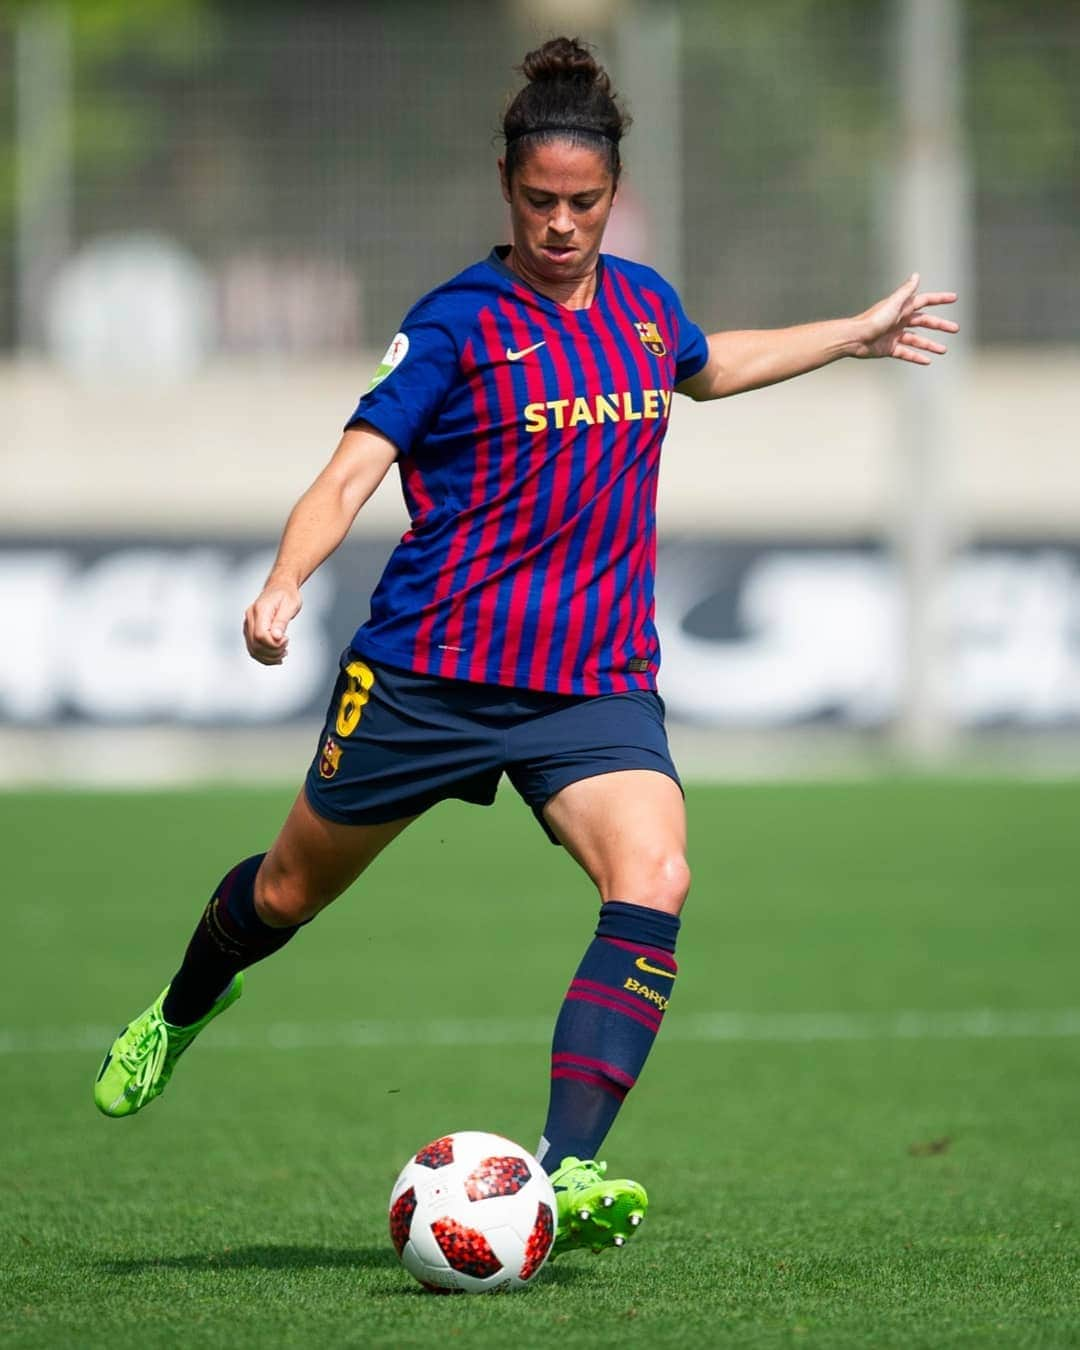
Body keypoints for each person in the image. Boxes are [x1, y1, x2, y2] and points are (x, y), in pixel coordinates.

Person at [93, 36, 958, 1257]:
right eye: (541, 201)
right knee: (287, 888)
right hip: (429, 674)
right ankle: (180, 1008)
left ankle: (566, 1169)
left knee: (654, 876)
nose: (562, 224)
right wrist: (284, 582)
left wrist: (855, 335)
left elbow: (709, 367)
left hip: (591, 688)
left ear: (614, 196)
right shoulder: (454, 322)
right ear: (508, 187)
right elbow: (352, 471)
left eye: (584, 203)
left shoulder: (646, 308)